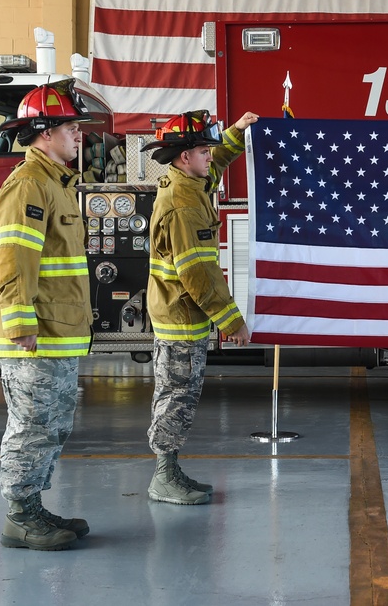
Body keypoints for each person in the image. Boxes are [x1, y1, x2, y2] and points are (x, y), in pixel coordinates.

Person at [0, 80, 97, 551]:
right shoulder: (30, 184)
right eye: (71, 127)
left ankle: (32, 506)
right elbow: (13, 256)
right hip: (37, 334)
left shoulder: (55, 184)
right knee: (32, 426)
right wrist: (18, 321)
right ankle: (19, 517)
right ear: (43, 133)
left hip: (59, 332)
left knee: (52, 425)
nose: (79, 136)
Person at [141, 110, 258, 505]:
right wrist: (232, 321)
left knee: (179, 394)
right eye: (203, 149)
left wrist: (237, 133)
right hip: (180, 315)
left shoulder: (190, 183)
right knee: (176, 396)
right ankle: (163, 476)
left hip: (180, 312)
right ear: (184, 155)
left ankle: (170, 470)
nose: (210, 155)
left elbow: (218, 161)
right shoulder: (183, 203)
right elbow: (199, 274)